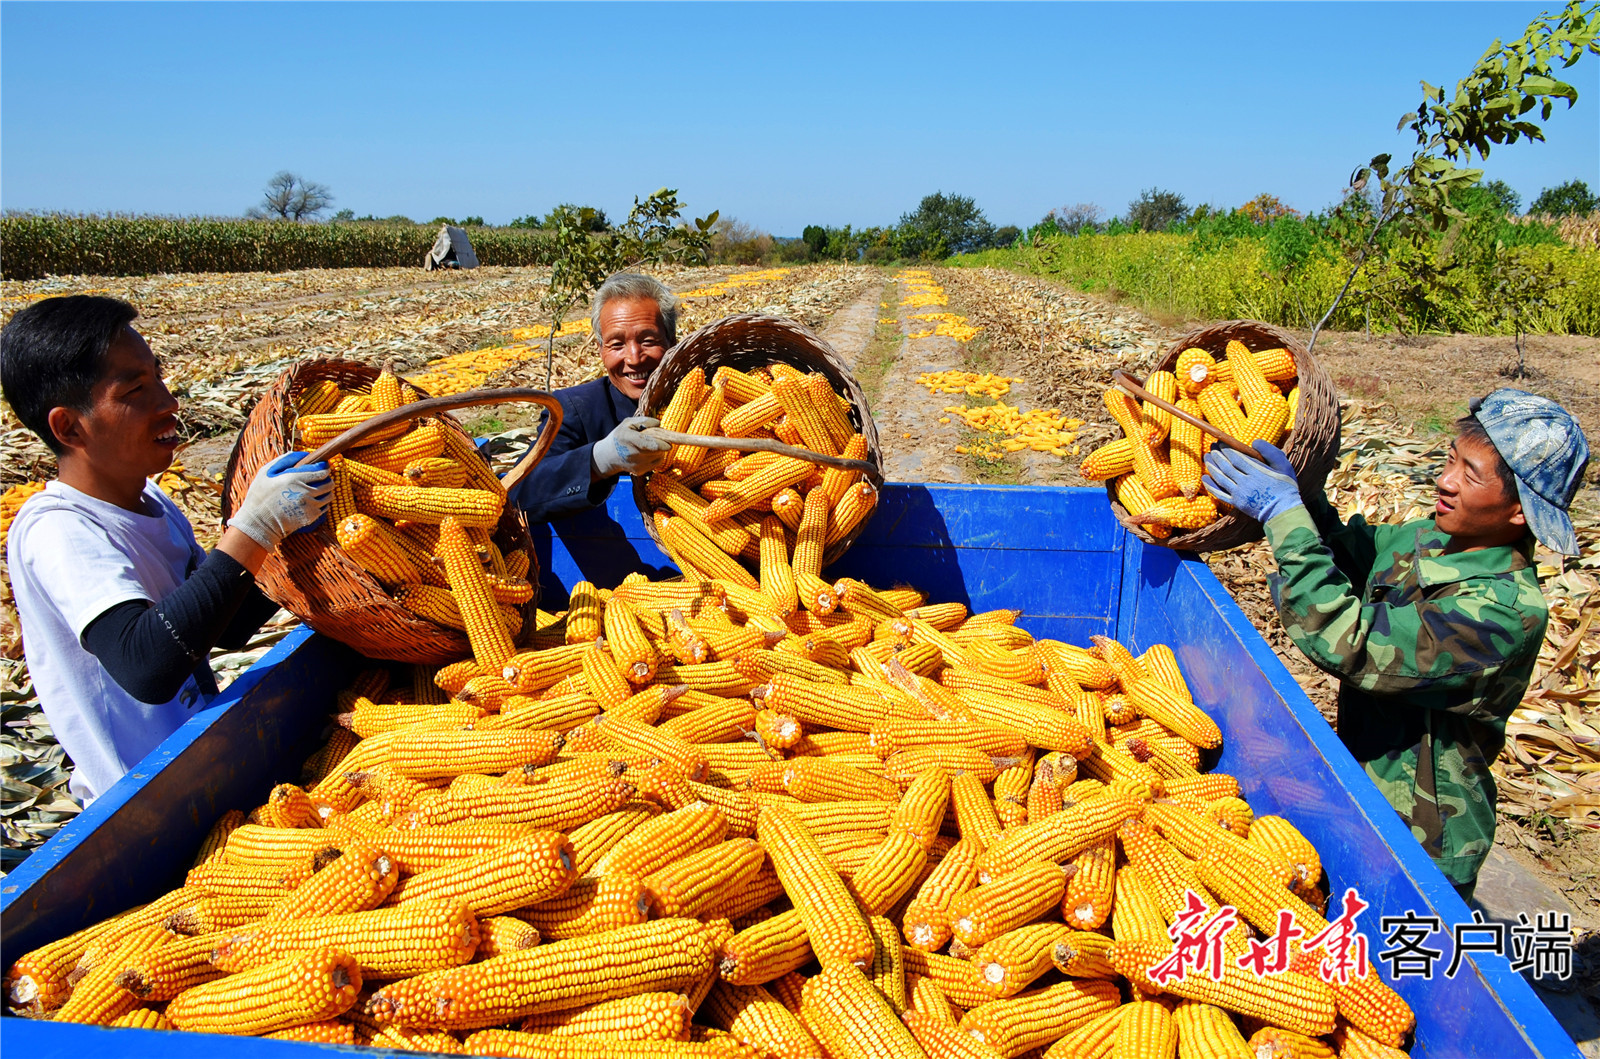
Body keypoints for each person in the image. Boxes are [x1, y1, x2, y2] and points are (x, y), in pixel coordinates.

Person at [1203, 390, 1589, 901]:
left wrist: (1282, 513)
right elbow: (1350, 553)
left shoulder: (1502, 611)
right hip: (1365, 788)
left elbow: (1350, 641)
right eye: (1450, 459)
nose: (1445, 481)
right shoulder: (1432, 537)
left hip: (1420, 833)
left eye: (1470, 475)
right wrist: (1306, 496)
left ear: (1520, 512)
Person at [2, 295, 332, 804]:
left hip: (202, 765)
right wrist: (256, 527)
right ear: (68, 426)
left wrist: (304, 533)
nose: (168, 401)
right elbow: (147, 667)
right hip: (144, 806)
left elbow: (227, 624)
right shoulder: (60, 531)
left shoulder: (151, 501)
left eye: (158, 376)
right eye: (136, 389)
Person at [508, 272, 677, 524]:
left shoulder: (707, 400)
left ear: (672, 341)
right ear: (600, 350)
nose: (633, 358)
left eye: (648, 340)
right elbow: (517, 493)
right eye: (617, 344)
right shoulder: (574, 410)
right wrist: (602, 459)